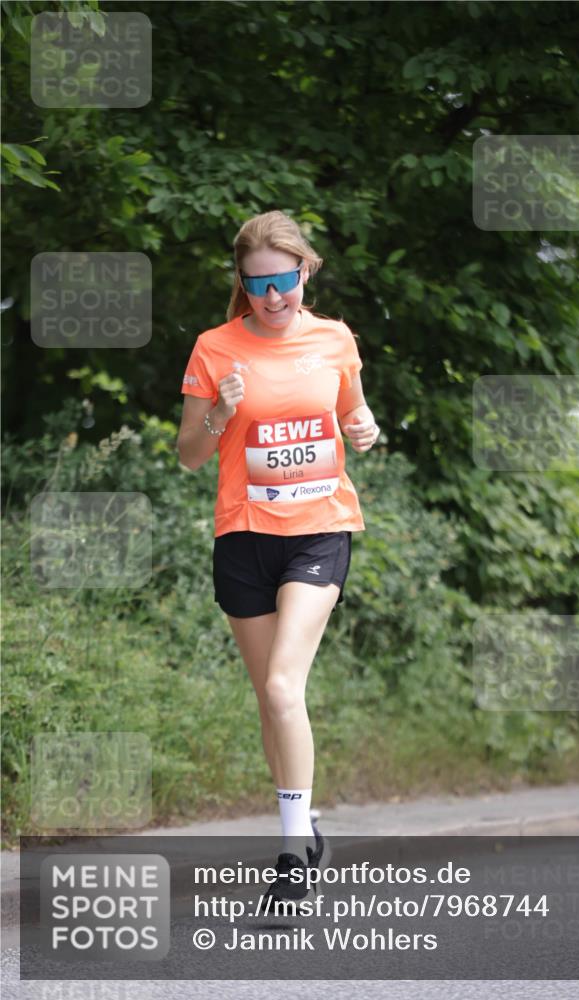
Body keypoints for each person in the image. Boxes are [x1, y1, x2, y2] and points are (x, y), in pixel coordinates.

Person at [177, 210, 379, 911]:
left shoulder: (334, 339)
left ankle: (293, 856)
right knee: (270, 696)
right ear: (241, 281)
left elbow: (354, 419)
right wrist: (219, 412)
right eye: (257, 283)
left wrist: (365, 429)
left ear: (304, 271)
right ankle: (306, 827)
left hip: (320, 528)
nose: (271, 297)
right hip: (243, 536)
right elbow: (190, 455)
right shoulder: (214, 348)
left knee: (285, 687)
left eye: (283, 281)